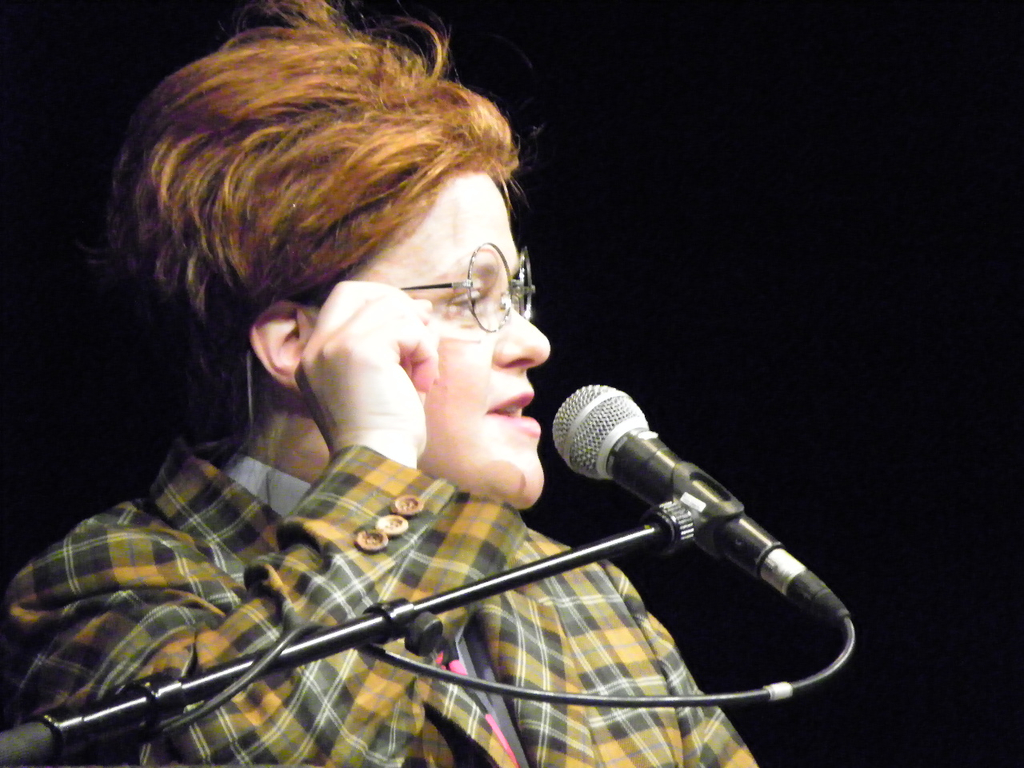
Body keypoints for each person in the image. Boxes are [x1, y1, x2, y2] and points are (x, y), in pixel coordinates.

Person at [1, 1, 757, 765]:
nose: (532, 342)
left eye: (517, 294)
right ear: (297, 345)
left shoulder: (584, 595)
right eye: (470, 297)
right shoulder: (106, 583)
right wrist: (378, 457)